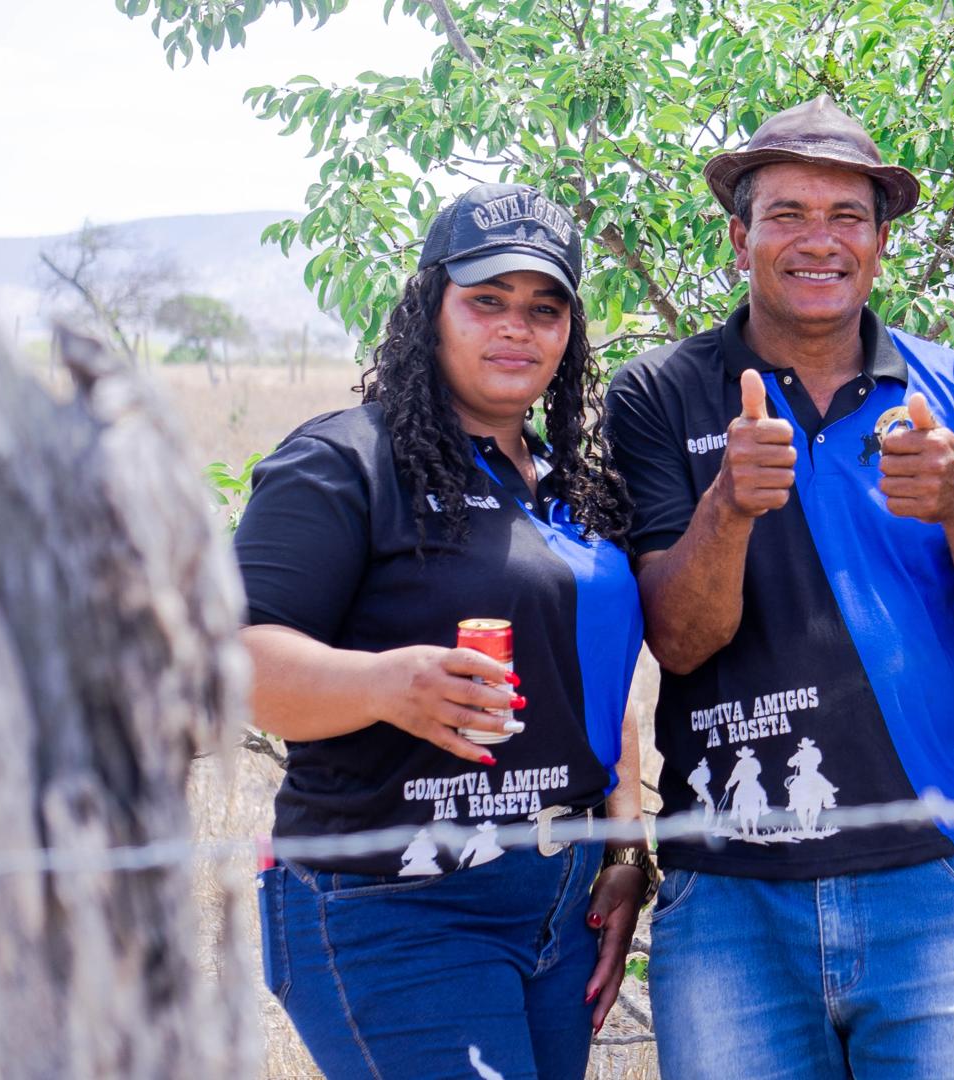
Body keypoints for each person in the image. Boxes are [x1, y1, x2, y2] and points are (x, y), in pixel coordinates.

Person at [603, 96, 954, 1080]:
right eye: (787, 215)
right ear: (739, 239)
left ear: (881, 243)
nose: (820, 240)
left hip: (929, 888)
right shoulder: (657, 393)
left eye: (847, 216)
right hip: (730, 897)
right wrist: (729, 504)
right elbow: (678, 639)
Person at [235, 183, 656, 1079]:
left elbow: (597, 678)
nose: (516, 328)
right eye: (486, 301)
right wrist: (386, 684)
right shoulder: (343, 464)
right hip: (397, 905)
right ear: (430, 310)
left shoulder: (573, 484)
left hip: (560, 908)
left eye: (544, 309)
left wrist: (625, 848)